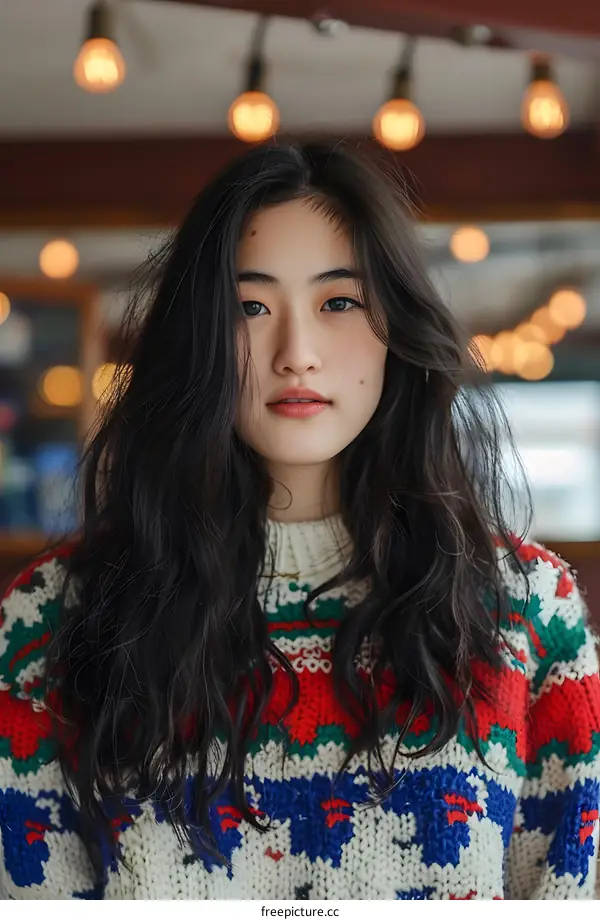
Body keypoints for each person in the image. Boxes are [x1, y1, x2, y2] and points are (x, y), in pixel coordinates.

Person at [1, 142, 599, 901]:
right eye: (250, 307)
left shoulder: (525, 609)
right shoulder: (56, 619)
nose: (297, 354)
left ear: (395, 326)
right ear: (200, 337)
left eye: (338, 302)